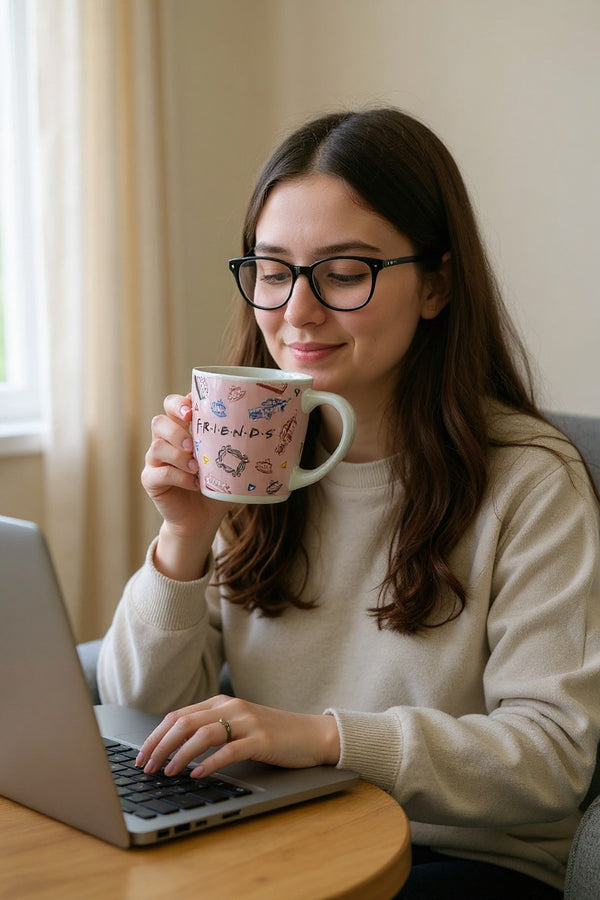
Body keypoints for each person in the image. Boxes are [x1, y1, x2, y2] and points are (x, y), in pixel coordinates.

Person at [98, 107, 600, 898]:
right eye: (273, 269)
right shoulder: (260, 455)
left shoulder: (530, 479)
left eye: (344, 271)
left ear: (435, 283)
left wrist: (327, 738)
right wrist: (183, 539)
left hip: (462, 861)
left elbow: (551, 757)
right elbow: (134, 712)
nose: (297, 311)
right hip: (281, 833)